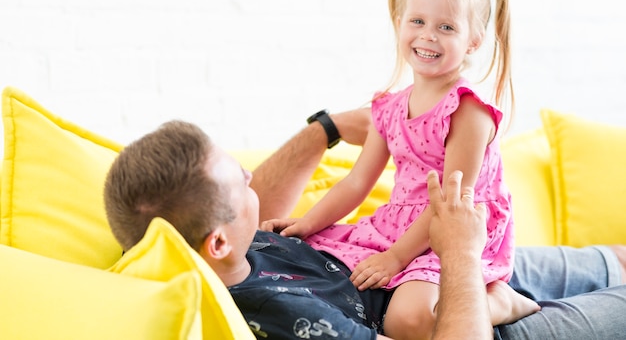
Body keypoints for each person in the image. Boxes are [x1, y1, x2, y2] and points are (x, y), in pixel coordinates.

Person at [103, 109, 626, 340]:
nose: (249, 174)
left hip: (421, 266)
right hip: (468, 316)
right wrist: (462, 256)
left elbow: (251, 206)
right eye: (238, 180)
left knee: (613, 259)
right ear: (216, 241)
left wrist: (324, 130)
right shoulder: (280, 314)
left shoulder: (226, 255)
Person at [261, 0, 535, 340]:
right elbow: (356, 182)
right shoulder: (389, 107)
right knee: (322, 265)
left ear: (473, 40)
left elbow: (452, 206)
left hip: (453, 232)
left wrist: (395, 258)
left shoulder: (469, 111)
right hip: (399, 226)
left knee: (408, 320)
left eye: (447, 27)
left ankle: (501, 300)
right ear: (400, 22)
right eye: (417, 21)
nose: (428, 36)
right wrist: (306, 223)